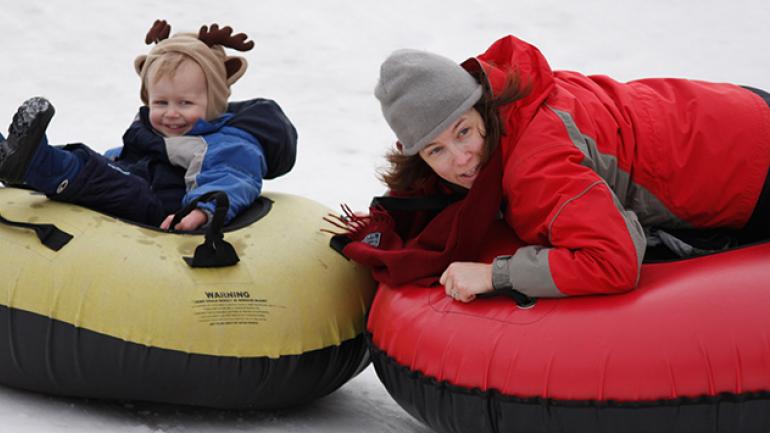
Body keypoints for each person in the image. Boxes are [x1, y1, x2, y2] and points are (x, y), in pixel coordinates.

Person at [329, 34, 770, 303]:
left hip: (755, 166)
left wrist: (494, 274)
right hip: (738, 110)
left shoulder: (537, 167)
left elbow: (614, 261)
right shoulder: (518, 96)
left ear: (481, 107)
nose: (461, 160)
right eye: (436, 151)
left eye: (463, 132)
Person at [0, 20, 296, 231]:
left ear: (214, 102)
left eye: (185, 103)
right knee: (99, 164)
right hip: (137, 191)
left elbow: (231, 177)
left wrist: (202, 211)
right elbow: (125, 161)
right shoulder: (148, 133)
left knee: (118, 183)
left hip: (164, 213)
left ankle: (35, 162)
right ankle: (21, 160)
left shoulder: (228, 142)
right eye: (161, 103)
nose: (171, 114)